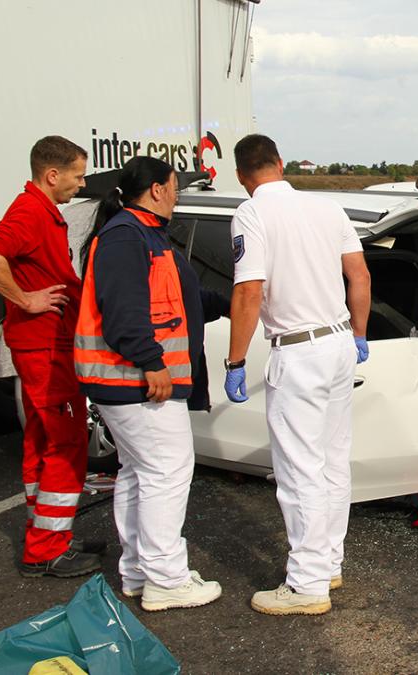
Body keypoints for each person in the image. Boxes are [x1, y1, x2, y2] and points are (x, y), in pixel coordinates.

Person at [223, 134, 371, 616]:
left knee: (298, 470)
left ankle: (307, 584)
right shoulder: (328, 208)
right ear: (281, 164)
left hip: (298, 350)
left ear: (243, 176)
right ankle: (328, 563)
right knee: (332, 461)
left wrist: (236, 360)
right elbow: (360, 276)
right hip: (339, 341)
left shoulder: (251, 213)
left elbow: (248, 292)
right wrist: (359, 334)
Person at [75, 156, 227, 611]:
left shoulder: (142, 234)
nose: (178, 194)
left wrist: (237, 301)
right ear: (157, 190)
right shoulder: (126, 236)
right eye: (176, 186)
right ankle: (166, 579)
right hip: (137, 384)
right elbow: (123, 312)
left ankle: (140, 572)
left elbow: (186, 299)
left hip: (129, 384)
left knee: (141, 474)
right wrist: (152, 363)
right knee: (167, 474)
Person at [0, 136, 105, 578]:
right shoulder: (30, 212)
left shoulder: (39, 210)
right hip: (45, 347)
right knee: (67, 444)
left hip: (39, 345)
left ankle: (48, 533)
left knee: (41, 442)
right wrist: (26, 300)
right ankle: (47, 549)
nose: (81, 184)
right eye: (77, 175)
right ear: (52, 175)